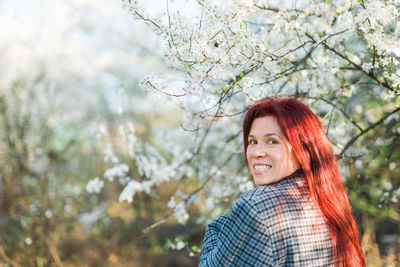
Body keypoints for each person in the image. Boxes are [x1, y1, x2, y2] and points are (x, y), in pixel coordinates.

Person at [199, 97, 365, 267]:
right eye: (252, 141)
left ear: (303, 148)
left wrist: (219, 228)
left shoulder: (256, 207)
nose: (256, 152)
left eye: (272, 141)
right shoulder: (326, 199)